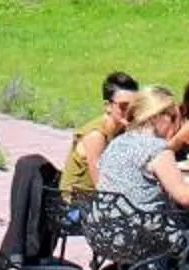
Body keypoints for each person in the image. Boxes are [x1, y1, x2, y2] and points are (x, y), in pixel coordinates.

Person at [97, 85, 189, 229]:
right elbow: (185, 196)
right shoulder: (157, 149)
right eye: (174, 117)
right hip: (145, 239)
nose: (177, 125)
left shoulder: (117, 142)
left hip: (108, 234)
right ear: (156, 116)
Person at [61, 70, 143, 200]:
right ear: (108, 106)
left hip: (98, 200)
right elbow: (101, 185)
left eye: (135, 106)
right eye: (123, 106)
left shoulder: (123, 129)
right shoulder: (96, 135)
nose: (129, 111)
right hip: (77, 204)